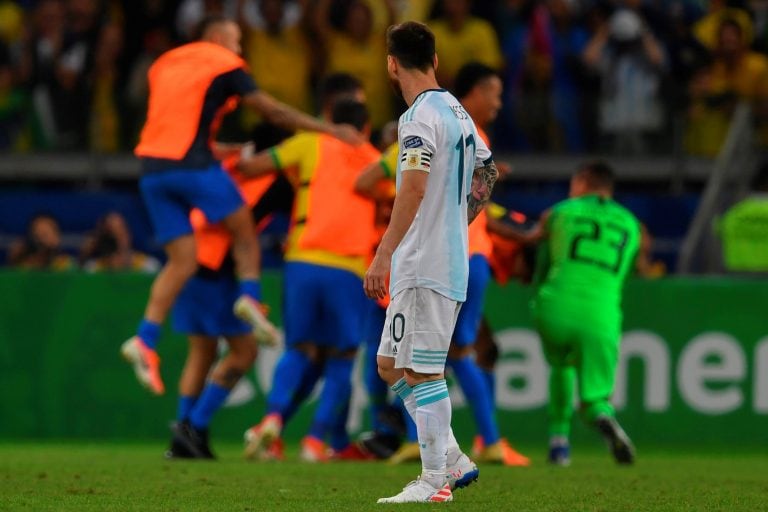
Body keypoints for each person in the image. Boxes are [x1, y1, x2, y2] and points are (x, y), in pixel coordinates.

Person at [120, 15, 359, 397]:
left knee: (181, 260)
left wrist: (220, 150)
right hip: (192, 167)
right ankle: (250, 299)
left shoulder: (165, 64)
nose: (239, 51)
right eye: (236, 42)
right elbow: (273, 111)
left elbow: (176, 125)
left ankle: (145, 338)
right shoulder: (223, 62)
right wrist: (330, 130)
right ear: (216, 38)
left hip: (151, 170)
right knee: (243, 228)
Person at [365, 22, 499, 503]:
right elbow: (487, 171)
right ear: (436, 60)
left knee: (422, 372)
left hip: (424, 263)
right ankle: (453, 458)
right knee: (388, 365)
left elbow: (415, 186)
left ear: (391, 64)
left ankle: (434, 481)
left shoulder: (418, 117)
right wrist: (456, 221)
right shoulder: (459, 112)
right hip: (440, 257)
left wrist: (383, 252)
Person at [239, 99, 380, 462]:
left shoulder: (309, 143)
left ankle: (270, 419)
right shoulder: (372, 157)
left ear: (327, 118)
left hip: (302, 259)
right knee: (342, 357)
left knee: (298, 348)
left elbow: (251, 167)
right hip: (348, 265)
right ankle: (315, 442)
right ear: (365, 128)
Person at [531, 161, 640, 467]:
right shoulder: (631, 224)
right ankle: (601, 414)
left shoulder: (560, 212)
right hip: (602, 313)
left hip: (556, 305)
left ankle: (558, 442)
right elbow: (628, 273)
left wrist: (538, 295)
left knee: (563, 362)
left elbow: (542, 264)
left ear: (581, 182)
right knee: (595, 395)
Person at [80, 212, 160, 273]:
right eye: (112, 233)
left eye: (121, 232)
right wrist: (85, 254)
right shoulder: (92, 270)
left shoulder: (148, 267)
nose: (118, 239)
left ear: (128, 235)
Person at [8, 213, 76, 270]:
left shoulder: (66, 265)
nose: (42, 240)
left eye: (47, 234)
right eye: (39, 235)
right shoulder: (23, 268)